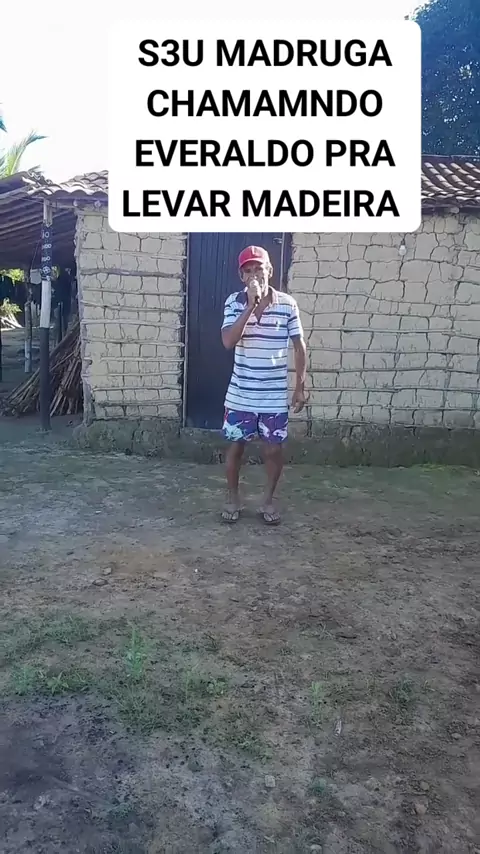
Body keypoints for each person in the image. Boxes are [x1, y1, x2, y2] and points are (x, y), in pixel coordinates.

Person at [220, 245, 307, 525]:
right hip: (240, 395)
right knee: (235, 447)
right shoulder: (234, 302)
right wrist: (250, 306)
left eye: (259, 269)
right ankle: (233, 499)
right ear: (241, 276)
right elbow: (228, 341)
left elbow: (299, 346)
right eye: (248, 271)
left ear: (269, 270)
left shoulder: (287, 304)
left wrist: (299, 386)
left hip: (273, 396)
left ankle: (268, 500)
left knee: (273, 450)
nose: (254, 275)